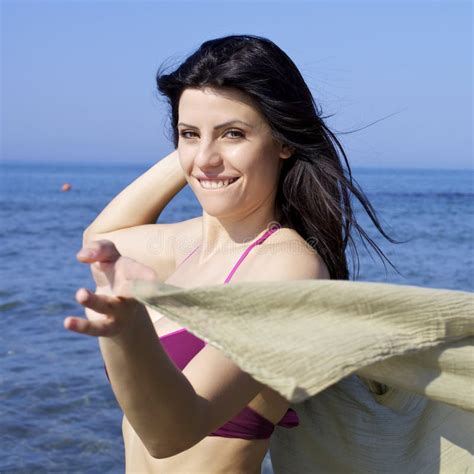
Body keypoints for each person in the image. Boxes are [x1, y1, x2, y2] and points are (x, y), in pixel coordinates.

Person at [64, 34, 401, 473]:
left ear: (284, 140)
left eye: (234, 134)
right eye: (188, 134)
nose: (206, 159)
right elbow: (101, 238)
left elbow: (173, 431)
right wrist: (200, 142)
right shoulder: (188, 244)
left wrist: (128, 334)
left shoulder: (288, 268)